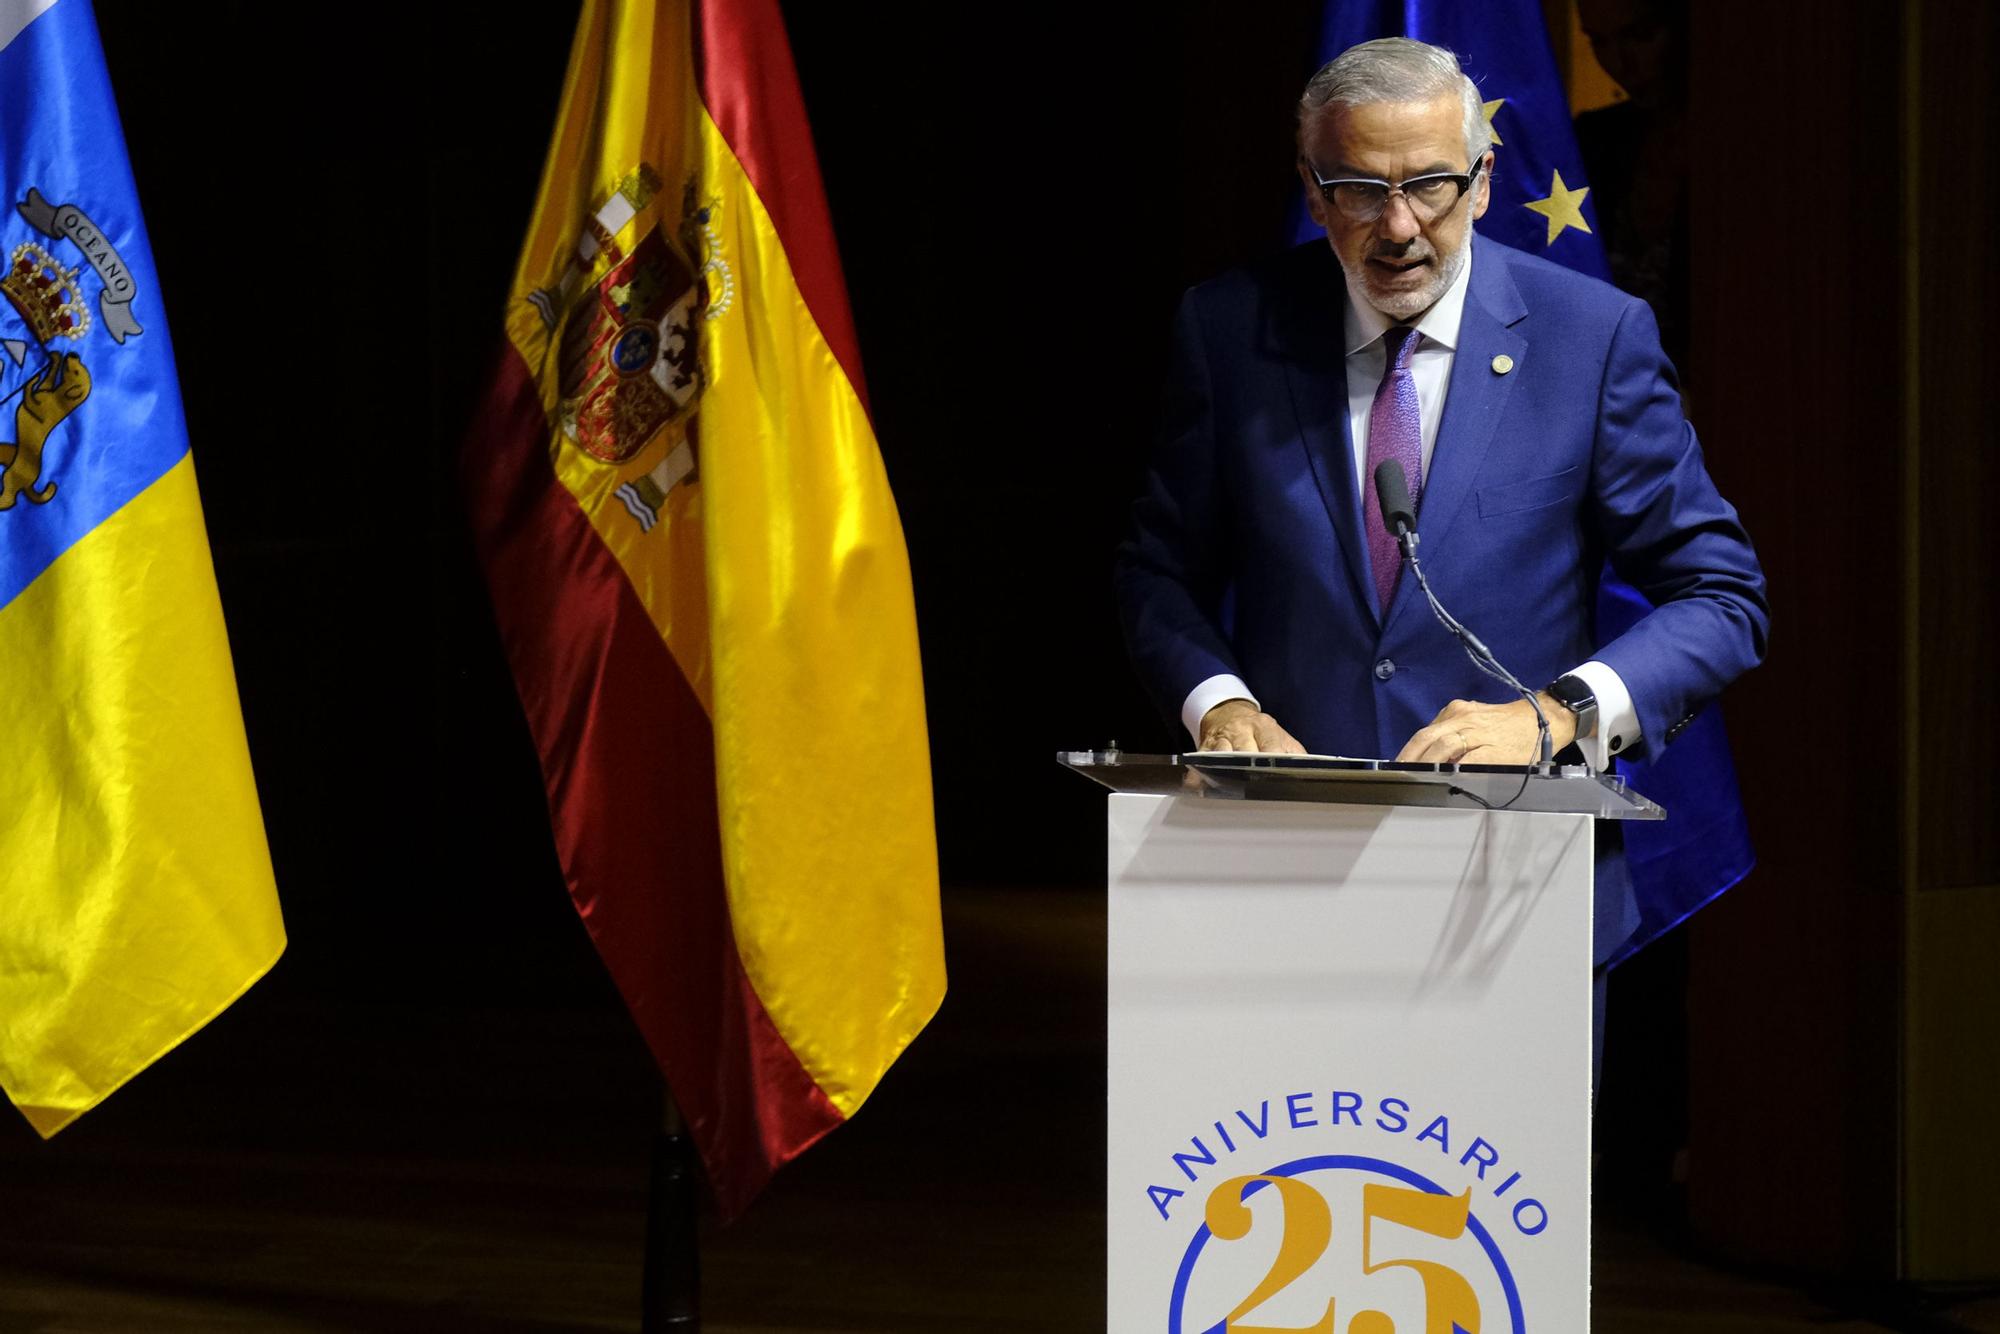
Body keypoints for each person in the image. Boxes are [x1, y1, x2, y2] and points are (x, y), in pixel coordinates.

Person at [1113, 37, 1767, 992]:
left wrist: (1558, 716)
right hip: (1282, 881)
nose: (1399, 226)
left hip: (1515, 893)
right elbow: (1156, 570)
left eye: (1430, 185)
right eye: (1359, 189)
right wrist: (1221, 704)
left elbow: (1721, 595)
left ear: (1485, 180)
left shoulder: (1592, 339)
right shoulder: (1228, 332)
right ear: (1310, 187)